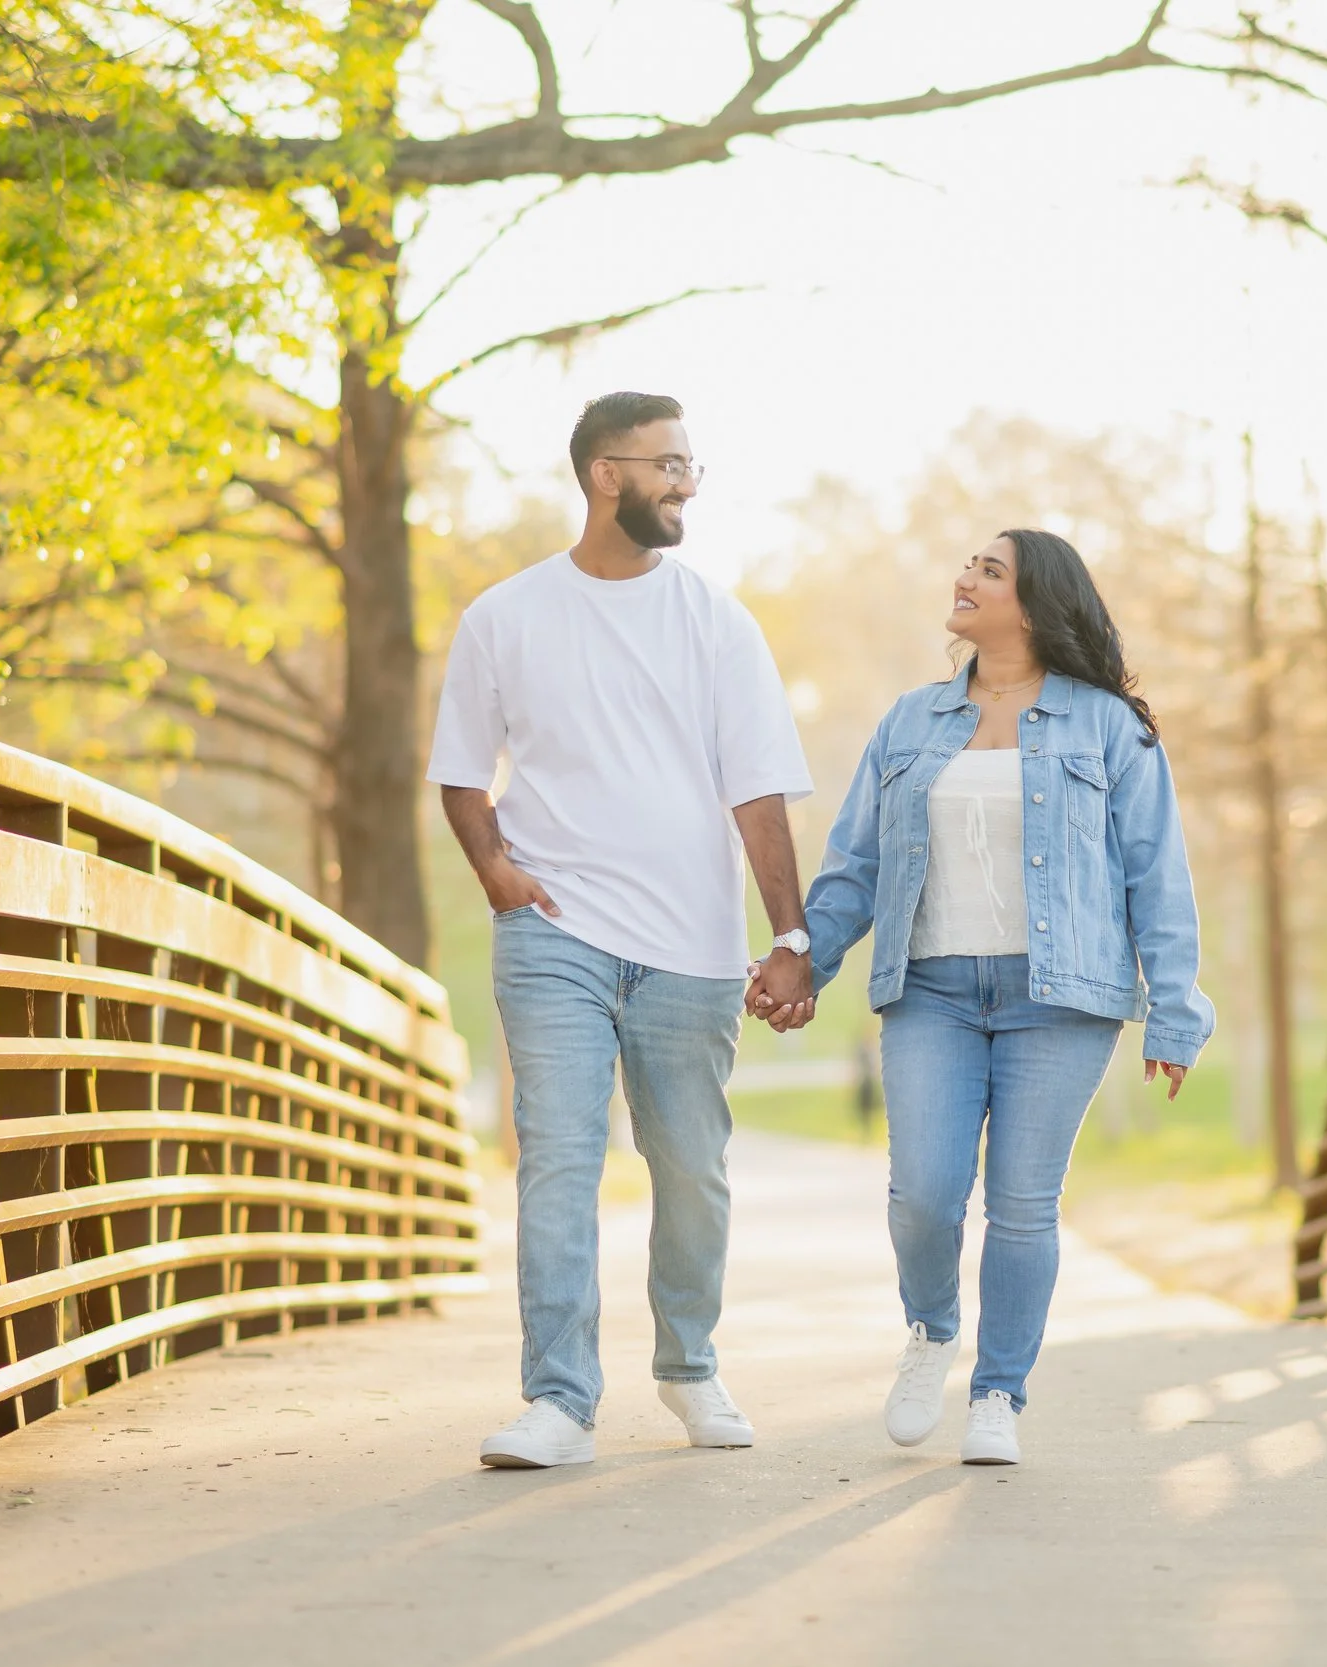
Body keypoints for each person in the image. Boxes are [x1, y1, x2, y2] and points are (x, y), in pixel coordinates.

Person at [751, 528, 1212, 1466]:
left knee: (1023, 1205)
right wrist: (803, 953)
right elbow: (855, 865)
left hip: (1063, 996)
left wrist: (1173, 1006)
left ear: (1036, 605)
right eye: (967, 563)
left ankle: (999, 1391)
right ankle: (931, 1330)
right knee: (924, 1193)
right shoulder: (911, 721)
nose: (963, 577)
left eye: (988, 570)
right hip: (932, 990)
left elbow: (1156, 874)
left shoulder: (1108, 726)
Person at [430, 392, 818, 1469]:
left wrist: (791, 936)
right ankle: (558, 1398)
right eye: (670, 463)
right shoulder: (504, 616)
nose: (688, 482)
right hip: (554, 936)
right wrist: (499, 872)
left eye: (692, 463)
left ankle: (688, 1366)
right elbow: (461, 773)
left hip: (690, 945)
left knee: (690, 1167)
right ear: (607, 474)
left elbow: (759, 794)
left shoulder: (716, 621)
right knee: (558, 1158)